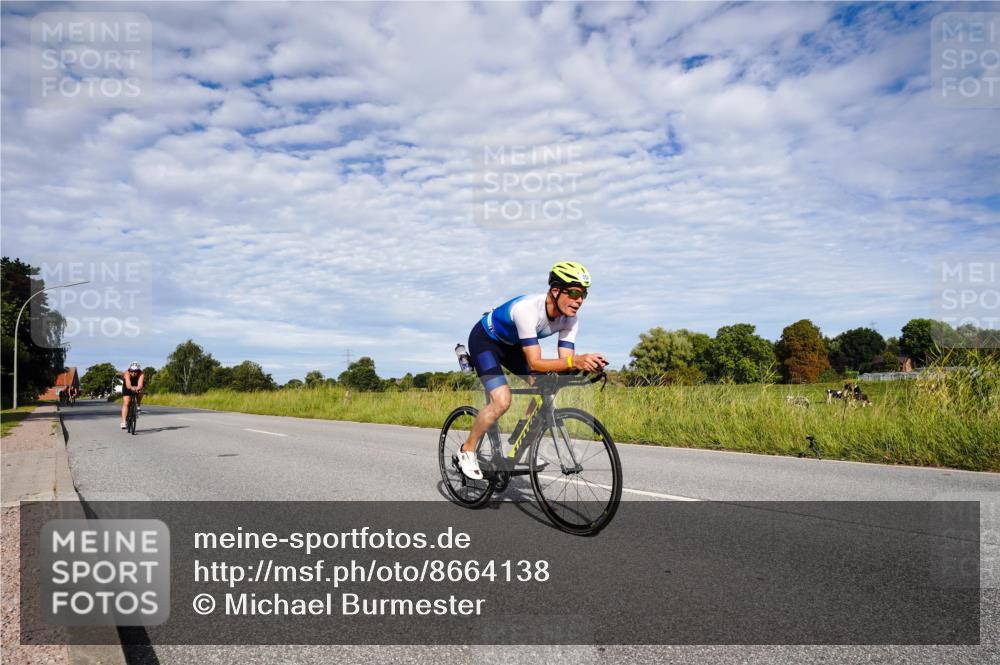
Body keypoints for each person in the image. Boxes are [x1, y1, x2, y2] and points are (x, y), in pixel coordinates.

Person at [457, 261, 608, 480]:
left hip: (513, 347)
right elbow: (536, 363)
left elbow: (565, 361)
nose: (579, 301)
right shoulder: (527, 309)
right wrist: (575, 361)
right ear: (555, 291)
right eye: (574, 293)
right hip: (486, 342)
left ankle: (523, 444)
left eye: (584, 295)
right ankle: (467, 450)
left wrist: (587, 366)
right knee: (502, 400)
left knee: (547, 386)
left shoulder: (571, 320)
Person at [120, 362, 145, 429]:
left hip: (137, 384)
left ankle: (138, 405)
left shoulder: (141, 373)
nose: (133, 373)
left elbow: (140, 384)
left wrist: (137, 388)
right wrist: (131, 388)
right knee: (126, 402)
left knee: (141, 392)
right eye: (132, 371)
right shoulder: (126, 373)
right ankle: (123, 421)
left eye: (136, 371)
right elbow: (128, 384)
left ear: (138, 371)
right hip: (128, 386)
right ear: (129, 370)